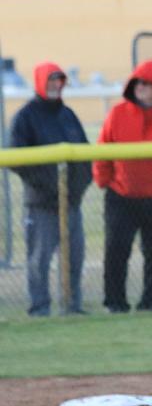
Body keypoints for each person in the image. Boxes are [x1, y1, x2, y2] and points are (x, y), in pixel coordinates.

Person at [94, 59, 152, 313]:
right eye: (137, 83)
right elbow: (104, 149)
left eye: (146, 83)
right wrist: (103, 180)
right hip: (121, 195)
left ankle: (151, 301)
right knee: (116, 250)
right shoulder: (118, 113)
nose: (141, 88)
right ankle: (114, 302)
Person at [8, 61, 91, 316]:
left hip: (71, 203)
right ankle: (40, 308)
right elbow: (17, 159)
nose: (56, 85)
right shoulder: (26, 117)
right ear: (40, 83)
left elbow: (86, 154)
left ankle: (72, 305)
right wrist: (50, 186)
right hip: (41, 204)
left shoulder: (68, 115)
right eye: (51, 80)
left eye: (59, 80)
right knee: (39, 260)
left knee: (74, 258)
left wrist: (76, 188)